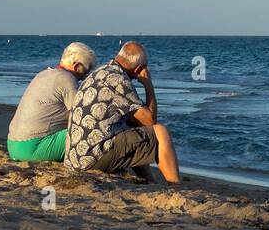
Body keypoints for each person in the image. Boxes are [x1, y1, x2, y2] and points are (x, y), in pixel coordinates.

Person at [64, 41, 181, 184]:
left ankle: (150, 181)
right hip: (91, 158)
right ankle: (175, 184)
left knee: (132, 129)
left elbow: (137, 122)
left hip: (75, 157)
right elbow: (150, 120)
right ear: (138, 69)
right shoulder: (119, 80)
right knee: (160, 132)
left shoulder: (102, 71)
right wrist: (148, 84)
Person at [7, 42, 96, 162]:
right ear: (76, 66)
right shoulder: (67, 79)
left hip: (13, 146)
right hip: (33, 148)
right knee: (92, 132)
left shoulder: (43, 74)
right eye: (86, 71)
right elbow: (81, 115)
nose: (85, 76)